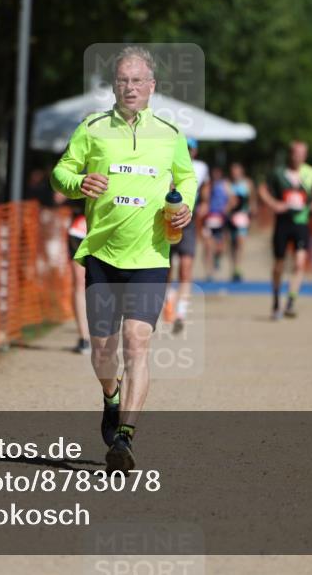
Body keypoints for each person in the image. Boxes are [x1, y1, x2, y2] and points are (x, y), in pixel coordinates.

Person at [50, 46, 196, 472]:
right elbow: (61, 173)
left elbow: (185, 178)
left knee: (137, 342)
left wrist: (184, 204)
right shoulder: (92, 129)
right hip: (102, 253)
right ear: (114, 86)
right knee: (103, 350)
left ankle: (125, 439)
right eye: (123, 80)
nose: (130, 87)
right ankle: (110, 397)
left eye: (138, 81)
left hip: (151, 254)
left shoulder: (170, 134)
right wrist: (79, 181)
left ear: (152, 86)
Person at [258, 140, 312, 320]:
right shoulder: (278, 173)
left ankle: (291, 301)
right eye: (295, 153)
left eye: (302, 153)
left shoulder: (311, 173)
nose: (298, 156)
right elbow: (262, 189)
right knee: (279, 265)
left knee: (300, 263)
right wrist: (274, 204)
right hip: (282, 223)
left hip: (301, 222)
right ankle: (276, 300)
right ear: (290, 154)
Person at [166, 137, 209, 334]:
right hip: (167, 221)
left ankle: (181, 313)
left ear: (195, 152)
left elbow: (205, 189)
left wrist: (204, 206)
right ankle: (168, 303)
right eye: (185, 148)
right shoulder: (167, 164)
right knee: (167, 270)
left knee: (186, 268)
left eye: (190, 149)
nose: (188, 152)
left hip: (188, 222)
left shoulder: (201, 168)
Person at [54, 191, 91, 354]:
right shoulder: (81, 166)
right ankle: (84, 338)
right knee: (80, 281)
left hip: (109, 227)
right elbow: (58, 195)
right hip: (80, 229)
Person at [203, 166, 234, 282]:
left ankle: (217, 257)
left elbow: (232, 199)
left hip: (221, 219)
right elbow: (204, 199)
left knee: (221, 247)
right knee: (207, 246)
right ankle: (209, 272)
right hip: (209, 219)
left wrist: (226, 209)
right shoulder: (208, 186)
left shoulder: (225, 185)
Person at [227, 162, 254, 282]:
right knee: (232, 243)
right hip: (230, 217)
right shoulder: (227, 184)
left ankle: (238, 268)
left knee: (240, 242)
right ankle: (233, 267)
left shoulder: (247, 183)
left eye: (237, 171)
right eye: (233, 172)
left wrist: (252, 211)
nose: (235, 174)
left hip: (243, 216)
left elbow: (252, 199)